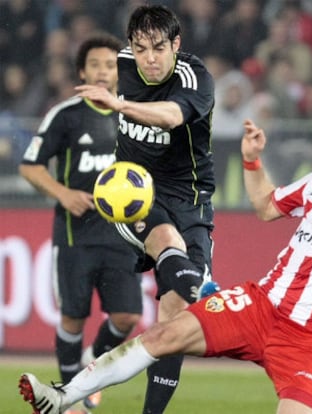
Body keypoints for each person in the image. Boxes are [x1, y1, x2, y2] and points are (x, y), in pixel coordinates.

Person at [19, 113, 312, 414]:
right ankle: (61, 396)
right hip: (261, 307)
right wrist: (253, 163)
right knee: (164, 335)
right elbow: (265, 206)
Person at [73, 5, 220, 413]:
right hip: (132, 193)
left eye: (158, 48)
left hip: (190, 201)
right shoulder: (120, 65)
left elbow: (171, 116)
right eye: (140, 49)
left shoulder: (196, 78)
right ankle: (205, 290)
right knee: (166, 242)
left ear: (176, 44)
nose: (149, 59)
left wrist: (119, 107)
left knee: (172, 321)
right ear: (131, 48)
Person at [19, 33, 143, 414]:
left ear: (119, 73)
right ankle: (69, 399)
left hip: (122, 236)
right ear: (81, 71)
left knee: (128, 317)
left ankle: (91, 364)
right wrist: (63, 193)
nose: (103, 72)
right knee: (73, 316)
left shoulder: (134, 116)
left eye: (110, 65)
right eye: (95, 65)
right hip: (75, 237)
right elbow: (29, 166)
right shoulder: (66, 115)